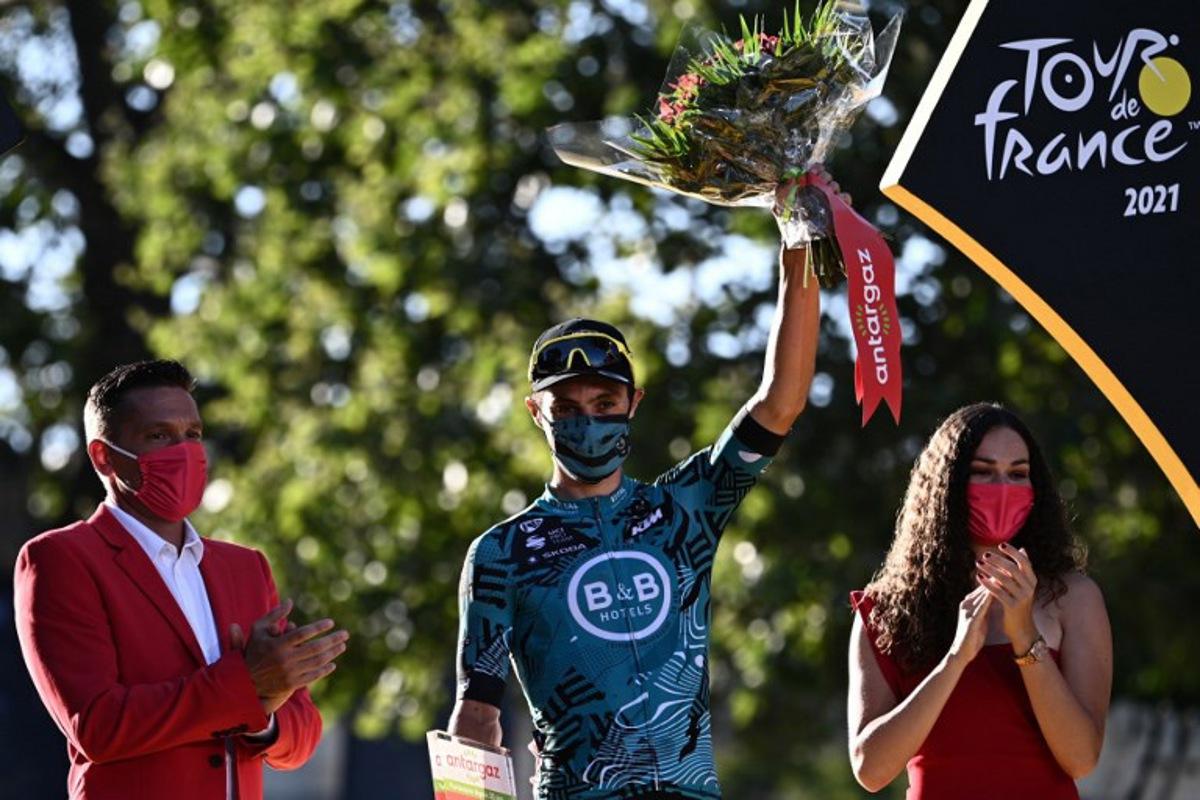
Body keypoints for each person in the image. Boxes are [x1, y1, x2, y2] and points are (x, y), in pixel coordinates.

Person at [447, 171, 842, 798]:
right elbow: (475, 717)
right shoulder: (501, 553)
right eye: (567, 406)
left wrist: (801, 240)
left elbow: (781, 402)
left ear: (635, 403)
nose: (588, 419)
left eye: (606, 401)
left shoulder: (685, 510)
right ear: (535, 412)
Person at [14, 360, 348, 800]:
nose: (184, 451)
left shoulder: (245, 567)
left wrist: (264, 713)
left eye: (192, 434)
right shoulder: (60, 559)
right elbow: (97, 726)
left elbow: (301, 732)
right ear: (104, 456)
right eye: (158, 436)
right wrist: (246, 686)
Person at [847, 403, 1112, 798]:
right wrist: (956, 658)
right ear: (947, 483)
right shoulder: (885, 609)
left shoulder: (1075, 598)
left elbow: (1080, 758)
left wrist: (1024, 635)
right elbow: (871, 769)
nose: (1003, 488)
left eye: (1018, 474)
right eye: (983, 472)